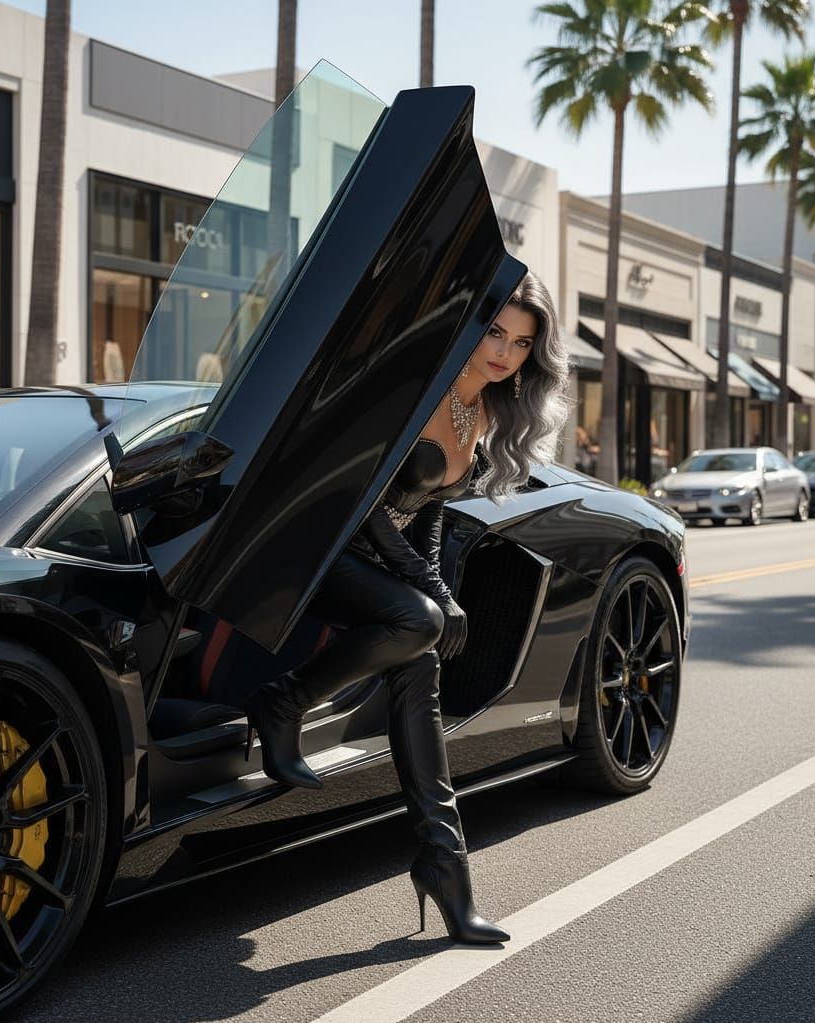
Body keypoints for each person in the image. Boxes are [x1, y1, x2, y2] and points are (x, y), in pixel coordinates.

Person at [243, 271, 571, 946]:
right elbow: (362, 503)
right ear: (471, 327)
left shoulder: (478, 414)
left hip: (378, 562)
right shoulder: (422, 389)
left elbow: (428, 513)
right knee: (418, 622)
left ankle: (447, 869)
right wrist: (428, 592)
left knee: (421, 662)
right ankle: (284, 701)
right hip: (322, 547)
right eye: (494, 332)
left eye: (520, 343)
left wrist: (441, 591)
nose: (504, 351)